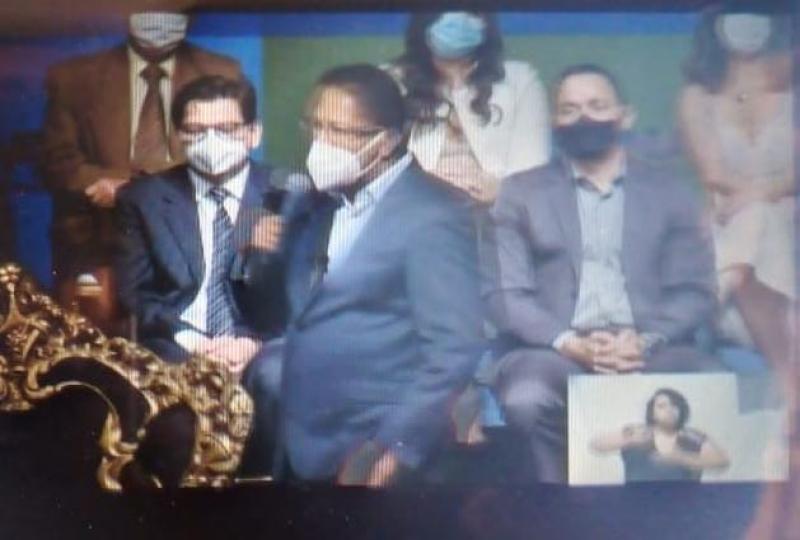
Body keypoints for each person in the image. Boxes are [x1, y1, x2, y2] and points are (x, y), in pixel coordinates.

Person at [245, 64, 485, 486]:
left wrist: (396, 446)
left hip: (375, 450)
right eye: (315, 127)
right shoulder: (309, 204)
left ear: (387, 140)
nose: (322, 144)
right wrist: (260, 259)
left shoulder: (436, 213)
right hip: (300, 442)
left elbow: (454, 349)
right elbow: (289, 316)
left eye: (340, 131)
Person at [482, 64, 721, 483]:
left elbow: (694, 291)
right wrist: (571, 343)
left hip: (650, 346)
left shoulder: (670, 192)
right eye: (569, 109)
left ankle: (663, 510)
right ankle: (557, 506)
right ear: (554, 122)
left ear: (624, 116)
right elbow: (506, 295)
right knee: (526, 398)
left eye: (597, 106)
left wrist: (643, 340)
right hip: (552, 350)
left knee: (708, 382)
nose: (584, 118)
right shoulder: (521, 193)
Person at [42, 11, 241, 325]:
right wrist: (118, 188)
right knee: (89, 331)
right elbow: (57, 161)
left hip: (187, 227)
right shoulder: (73, 77)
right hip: (99, 230)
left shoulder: (222, 70)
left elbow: (229, 155)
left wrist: (138, 192)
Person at [114, 75, 279, 367]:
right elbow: (136, 293)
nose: (211, 141)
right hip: (176, 342)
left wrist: (250, 343)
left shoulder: (288, 195)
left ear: (254, 133)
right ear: (177, 136)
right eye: (195, 130)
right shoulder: (143, 199)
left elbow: (297, 295)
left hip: (262, 345)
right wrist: (194, 342)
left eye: (227, 129)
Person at [678, 6, 795, 377]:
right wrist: (754, 200)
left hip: (789, 218)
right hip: (728, 218)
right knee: (755, 221)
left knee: (760, 218)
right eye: (736, 12)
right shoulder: (697, 96)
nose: (748, 24)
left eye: (758, 11)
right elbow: (713, 173)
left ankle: (720, 287)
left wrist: (759, 195)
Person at [388, 12, 550, 205]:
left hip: (497, 211)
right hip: (415, 207)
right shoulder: (392, 80)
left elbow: (532, 172)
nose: (455, 22)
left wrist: (498, 190)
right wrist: (427, 185)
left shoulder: (521, 79)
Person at [590, 388, 730, 482]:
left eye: (675, 405)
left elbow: (721, 462)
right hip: (637, 503)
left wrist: (681, 458)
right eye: (662, 406)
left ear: (682, 410)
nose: (669, 409)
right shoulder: (637, 431)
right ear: (652, 412)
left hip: (684, 505)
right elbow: (596, 445)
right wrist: (629, 440)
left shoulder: (693, 436)